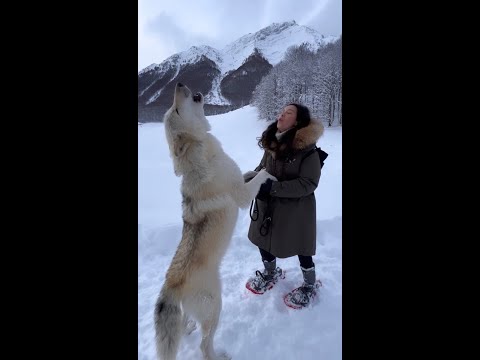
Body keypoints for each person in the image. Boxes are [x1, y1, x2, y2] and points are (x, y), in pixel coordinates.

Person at [243, 103, 324, 308]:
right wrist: (250, 179)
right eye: (281, 111)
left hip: (295, 210)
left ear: (297, 122)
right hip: (267, 204)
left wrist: (273, 188)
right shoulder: (273, 142)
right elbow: (263, 167)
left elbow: (309, 183)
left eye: (288, 113)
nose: (281, 115)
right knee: (264, 239)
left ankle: (309, 285)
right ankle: (271, 273)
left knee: (301, 246)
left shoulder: (307, 150)